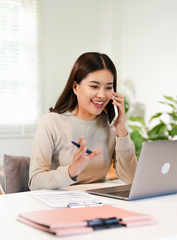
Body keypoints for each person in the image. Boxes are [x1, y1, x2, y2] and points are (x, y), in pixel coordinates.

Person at [28, 52, 137, 190]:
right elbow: (35, 182)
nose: (102, 95)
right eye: (94, 86)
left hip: (99, 203)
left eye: (108, 87)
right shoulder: (51, 123)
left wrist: (121, 130)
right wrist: (71, 171)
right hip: (60, 204)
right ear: (75, 87)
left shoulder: (111, 127)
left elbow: (131, 178)